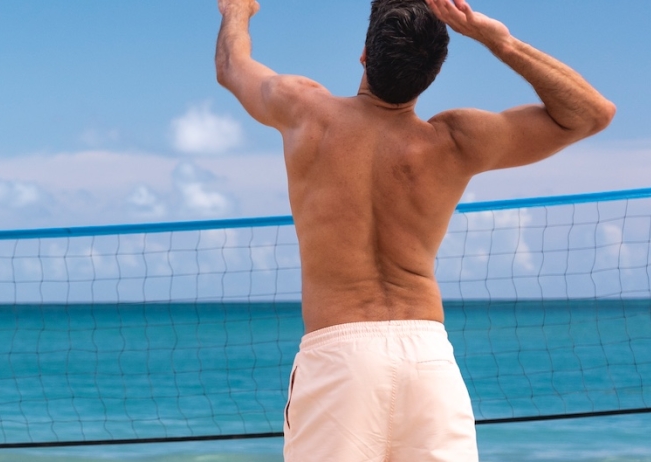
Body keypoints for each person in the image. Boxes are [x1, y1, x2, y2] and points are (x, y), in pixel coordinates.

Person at [214, 0, 614, 460]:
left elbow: (231, 66)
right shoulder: (454, 141)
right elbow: (591, 114)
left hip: (338, 358)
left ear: (365, 54)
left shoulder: (306, 111)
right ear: (435, 71)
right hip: (427, 362)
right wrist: (497, 41)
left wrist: (237, 11)